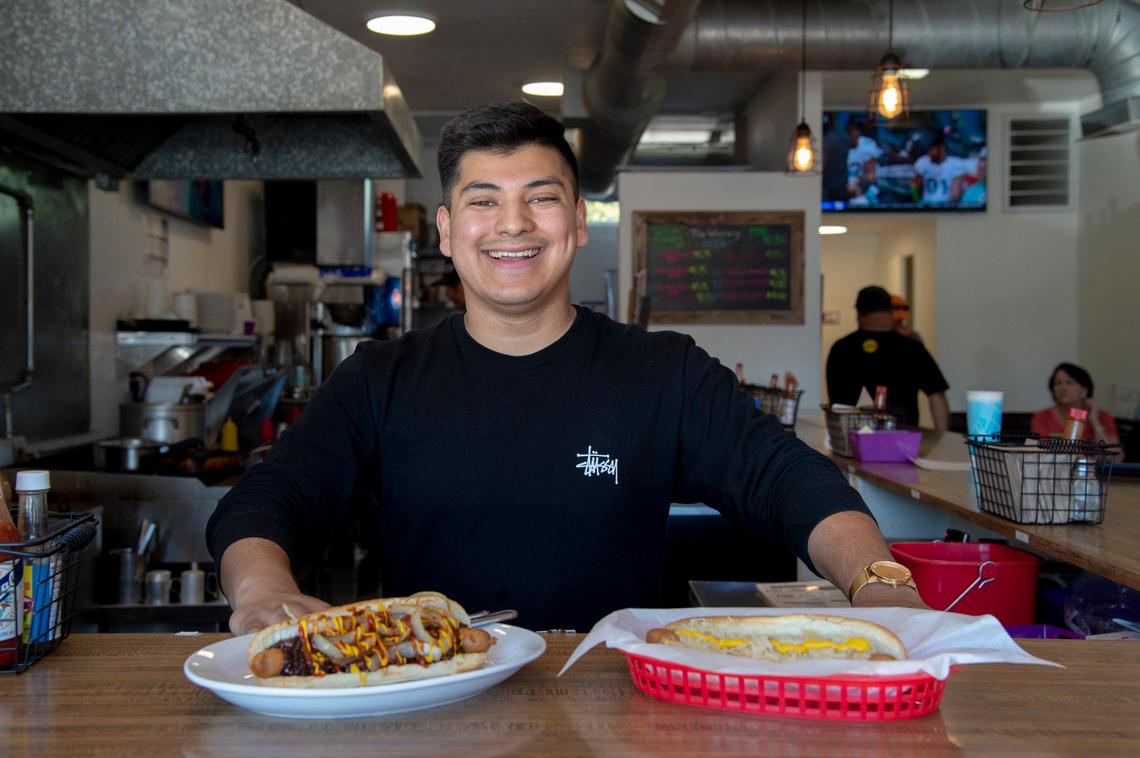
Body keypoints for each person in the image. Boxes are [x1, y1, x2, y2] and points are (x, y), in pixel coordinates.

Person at [207, 101, 926, 636]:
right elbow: (272, 494)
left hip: (618, 704)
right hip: (432, 702)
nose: (513, 224)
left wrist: (879, 579)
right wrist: (262, 587)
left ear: (578, 222)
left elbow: (788, 478)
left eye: (540, 199)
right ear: (449, 231)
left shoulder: (661, 372)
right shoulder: (380, 378)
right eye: (484, 201)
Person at [827, 285, 950, 430]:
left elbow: (835, 402)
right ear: (890, 312)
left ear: (858, 314)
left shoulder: (841, 348)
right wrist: (942, 438)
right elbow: (937, 396)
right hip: (901, 441)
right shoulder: (911, 348)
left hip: (851, 439)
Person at [1031, 363, 1119, 445]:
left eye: (1069, 382)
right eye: (1058, 383)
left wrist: (1095, 421)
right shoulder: (1042, 417)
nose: (1063, 387)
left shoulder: (1102, 416)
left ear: (1084, 389)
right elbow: (1041, 454)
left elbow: (1117, 456)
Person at [910, 134, 974, 206]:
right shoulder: (922, 162)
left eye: (932, 149)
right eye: (928, 149)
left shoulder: (956, 164)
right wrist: (918, 204)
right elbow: (915, 187)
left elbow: (955, 194)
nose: (929, 152)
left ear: (942, 149)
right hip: (926, 204)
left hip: (946, 205)